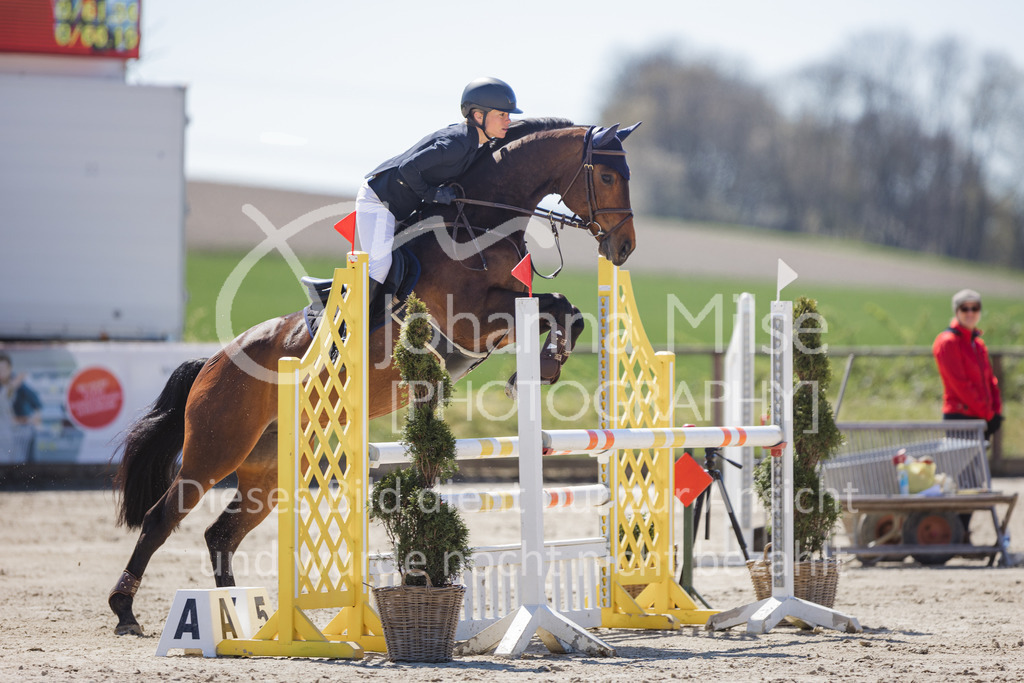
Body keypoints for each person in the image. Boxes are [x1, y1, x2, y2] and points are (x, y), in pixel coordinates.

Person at [356, 76, 522, 301]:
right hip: (378, 202)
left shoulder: (476, 142)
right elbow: (408, 168)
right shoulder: (455, 144)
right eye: (502, 115)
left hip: (400, 206)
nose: (508, 121)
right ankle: (352, 326)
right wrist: (433, 194)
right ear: (478, 115)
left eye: (508, 115)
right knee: (380, 267)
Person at [932, 289, 1003, 439]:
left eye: (975, 308)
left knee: (980, 463)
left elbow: (990, 381)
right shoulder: (948, 342)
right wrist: (988, 414)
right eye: (965, 308)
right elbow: (960, 385)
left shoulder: (978, 343)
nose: (970, 313)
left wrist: (996, 411)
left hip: (981, 416)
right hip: (960, 417)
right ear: (957, 311)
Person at [0, 352, 43, 464]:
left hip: (21, 431)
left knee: (26, 464)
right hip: (6, 433)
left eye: (3, 369)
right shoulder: (12, 385)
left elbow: (37, 403)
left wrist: (33, 419)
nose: (1, 372)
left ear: (10, 369)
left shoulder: (20, 386)